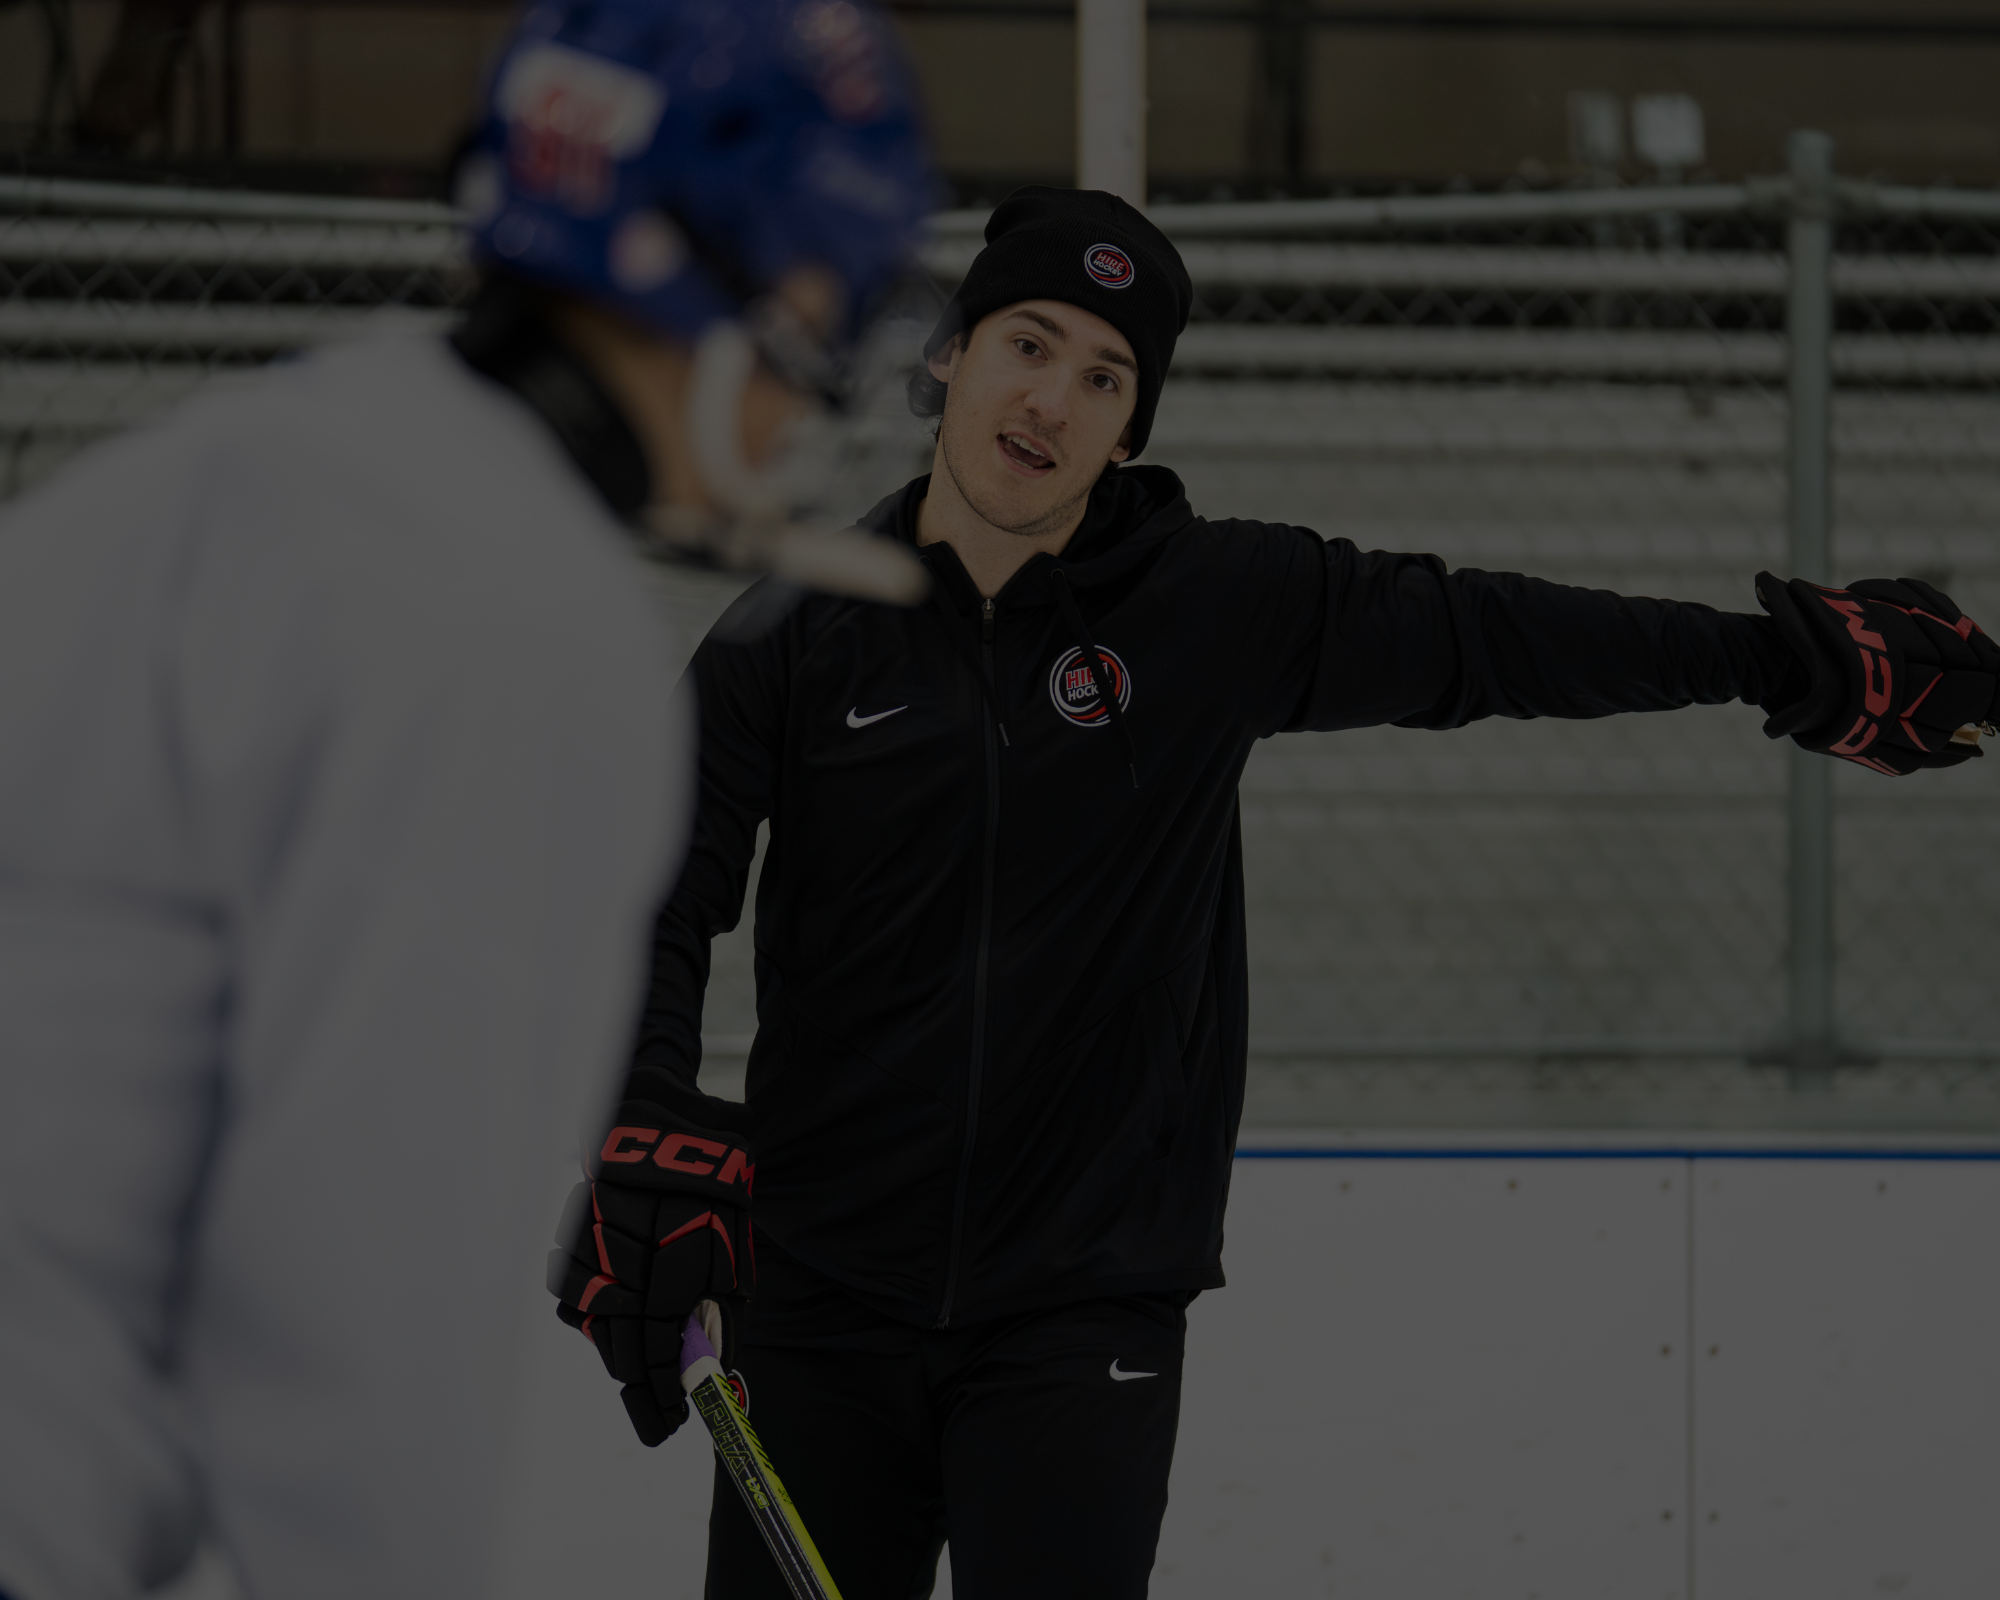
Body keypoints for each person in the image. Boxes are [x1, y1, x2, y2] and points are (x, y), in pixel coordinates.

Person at [548, 190, 2000, 1597]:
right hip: (818, 1315)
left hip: (1080, 1317)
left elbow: (1494, 635)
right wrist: (645, 1111)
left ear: (1131, 427)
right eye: (1029, 345)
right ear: (953, 357)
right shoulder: (796, 632)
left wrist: (1778, 661)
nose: (1052, 399)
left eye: (1105, 376)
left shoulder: (1212, 608)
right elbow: (651, 888)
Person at [0, 3, 930, 1597]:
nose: (822, 389)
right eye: (835, 311)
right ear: (761, 279)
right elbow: (354, 1331)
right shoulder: (512, 626)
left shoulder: (269, 454)